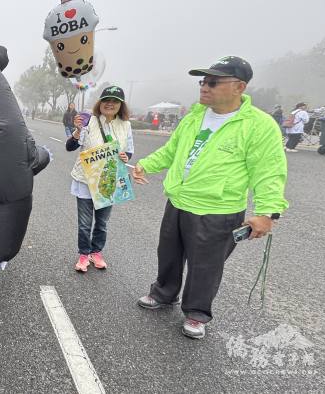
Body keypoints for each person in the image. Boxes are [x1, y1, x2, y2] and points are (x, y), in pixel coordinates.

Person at [132, 56, 288, 340]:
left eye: (213, 82)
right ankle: (164, 293)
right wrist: (146, 164)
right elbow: (171, 151)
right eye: (202, 81)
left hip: (218, 210)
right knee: (168, 254)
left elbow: (269, 171)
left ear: (239, 87)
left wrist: (267, 212)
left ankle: (196, 312)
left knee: (206, 266)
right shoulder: (195, 116)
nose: (204, 87)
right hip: (179, 201)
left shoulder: (258, 125)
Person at [65, 86, 133, 272]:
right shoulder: (89, 121)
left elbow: (128, 151)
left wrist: (126, 157)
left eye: (115, 101)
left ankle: (96, 252)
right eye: (106, 100)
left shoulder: (126, 125)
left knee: (102, 223)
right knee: (85, 223)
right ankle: (84, 254)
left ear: (121, 105)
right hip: (86, 180)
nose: (110, 104)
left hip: (108, 180)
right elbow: (70, 146)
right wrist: (78, 130)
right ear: (100, 103)